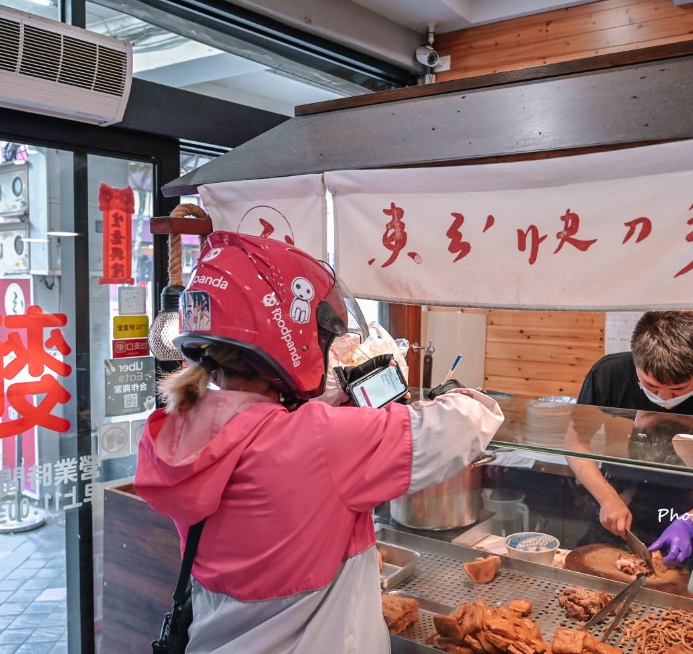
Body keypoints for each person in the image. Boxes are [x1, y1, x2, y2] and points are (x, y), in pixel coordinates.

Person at [134, 232, 504, 654]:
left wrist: (327, 401)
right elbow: (471, 420)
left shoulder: (172, 431)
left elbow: (256, 432)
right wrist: (454, 392)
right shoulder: (322, 440)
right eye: (320, 335)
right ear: (288, 336)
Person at [569, 311, 693, 569]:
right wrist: (606, 497)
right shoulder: (609, 375)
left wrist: (690, 523)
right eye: (651, 386)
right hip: (616, 509)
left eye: (679, 390)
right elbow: (576, 442)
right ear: (636, 363)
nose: (665, 397)